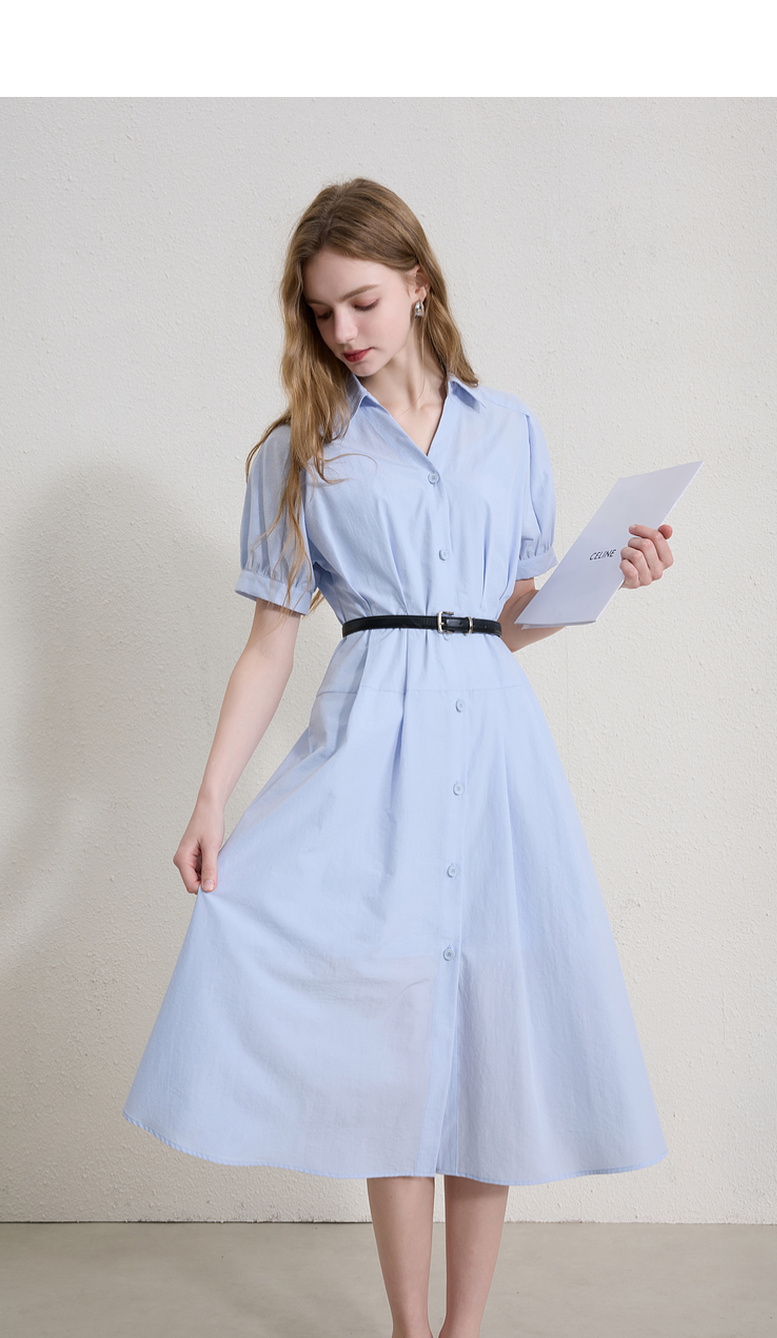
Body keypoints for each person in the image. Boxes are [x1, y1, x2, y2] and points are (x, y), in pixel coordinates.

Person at [123, 177, 673, 1338]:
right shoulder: (299, 451)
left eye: (362, 302)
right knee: (394, 1041)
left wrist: (607, 579)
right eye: (322, 312)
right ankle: (409, 1330)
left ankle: (461, 1332)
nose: (343, 331)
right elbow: (272, 642)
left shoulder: (508, 429)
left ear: (418, 284)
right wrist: (211, 797)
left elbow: (503, 619)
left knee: (488, 1035)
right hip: (370, 753)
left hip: (495, 752)